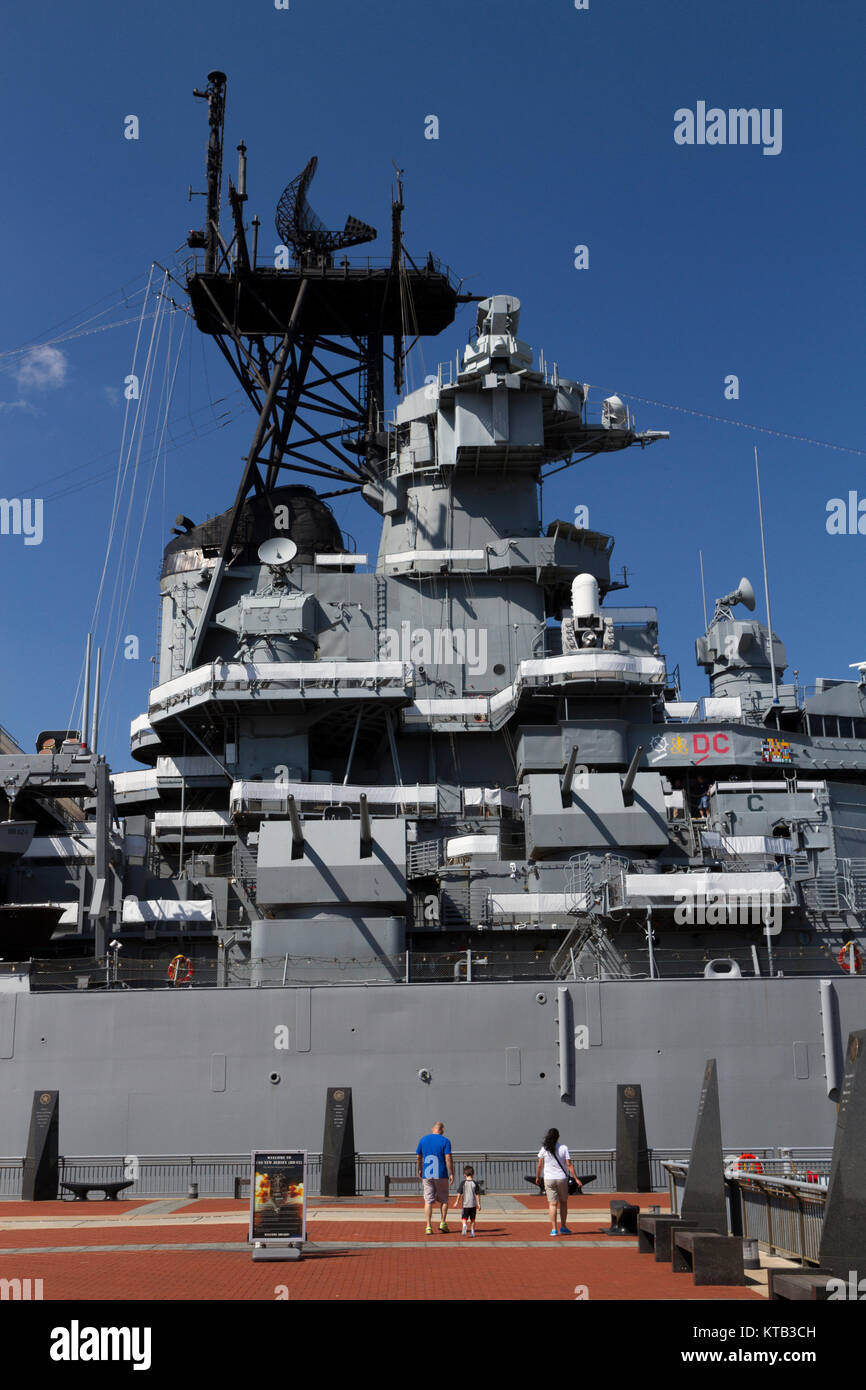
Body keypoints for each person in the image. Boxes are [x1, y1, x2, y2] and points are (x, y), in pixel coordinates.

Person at [535, 1127, 581, 1237]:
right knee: (563, 1202)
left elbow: (540, 1165)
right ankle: (563, 1226)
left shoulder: (544, 1149)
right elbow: (569, 1165)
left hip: (549, 1179)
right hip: (561, 1178)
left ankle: (554, 1229)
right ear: (558, 1137)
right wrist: (576, 1178)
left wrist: (537, 1177)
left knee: (552, 1204)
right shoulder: (563, 1148)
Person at [416, 1120, 454, 1234]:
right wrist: (451, 1172)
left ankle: (428, 1226)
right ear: (441, 1130)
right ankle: (443, 1222)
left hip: (427, 1173)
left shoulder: (423, 1140)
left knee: (428, 1200)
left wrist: (420, 1169)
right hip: (441, 1174)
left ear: (433, 1129)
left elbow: (418, 1156)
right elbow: (448, 1158)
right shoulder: (445, 1141)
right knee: (444, 1199)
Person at [453, 1164, 481, 1237]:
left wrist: (456, 1202)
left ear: (464, 1174)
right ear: (473, 1174)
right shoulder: (475, 1183)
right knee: (473, 1220)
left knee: (464, 1218)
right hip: (473, 1205)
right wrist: (479, 1204)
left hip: (465, 1204)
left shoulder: (463, 1183)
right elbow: (478, 1194)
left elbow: (459, 1193)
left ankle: (464, 1225)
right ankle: (472, 1232)